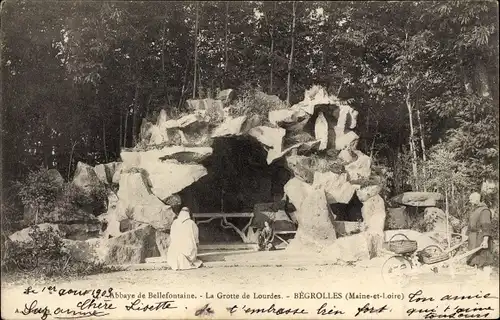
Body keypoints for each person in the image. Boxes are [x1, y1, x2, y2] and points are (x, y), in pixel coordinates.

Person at [466, 192, 494, 269]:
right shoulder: (475, 210)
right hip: (474, 239)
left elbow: (486, 226)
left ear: (476, 200)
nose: (470, 201)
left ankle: (485, 279)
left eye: (471, 199)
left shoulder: (484, 210)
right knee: (476, 260)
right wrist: (466, 236)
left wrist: (485, 240)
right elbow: (470, 225)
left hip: (481, 238)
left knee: (484, 260)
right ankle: (479, 278)